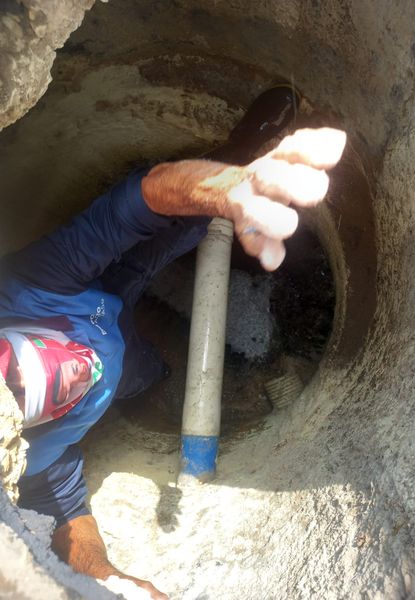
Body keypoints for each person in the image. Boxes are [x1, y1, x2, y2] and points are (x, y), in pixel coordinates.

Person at [0, 85, 346, 599]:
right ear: (23, 432)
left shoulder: (25, 289)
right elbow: (65, 516)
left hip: (99, 290)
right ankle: (154, 361)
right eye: (53, 395)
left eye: (33, 359)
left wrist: (229, 188)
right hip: (121, 366)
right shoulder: (26, 461)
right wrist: (109, 578)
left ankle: (240, 146)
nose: (75, 370)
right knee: (146, 373)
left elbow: (128, 208)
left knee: (184, 229)